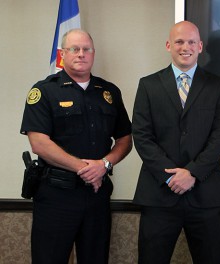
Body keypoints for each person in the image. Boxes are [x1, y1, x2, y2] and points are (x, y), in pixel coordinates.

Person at [20, 29, 133, 263]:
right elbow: (39, 143)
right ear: (62, 54)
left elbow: (125, 140)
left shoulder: (109, 92)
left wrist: (104, 164)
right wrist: (86, 169)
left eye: (86, 49)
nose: (81, 54)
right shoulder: (44, 91)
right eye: (74, 49)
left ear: (93, 54)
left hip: (96, 195)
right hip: (56, 195)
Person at [132, 21, 220, 264]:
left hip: (206, 192)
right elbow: (142, 136)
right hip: (158, 193)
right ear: (169, 45)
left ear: (200, 47)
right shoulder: (148, 85)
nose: (184, 47)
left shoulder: (218, 86)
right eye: (179, 41)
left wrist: (192, 173)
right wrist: (170, 176)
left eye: (190, 42)